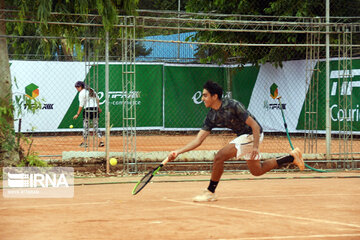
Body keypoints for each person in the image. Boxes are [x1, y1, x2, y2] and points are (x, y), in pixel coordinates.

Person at [167, 80, 304, 202]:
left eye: (205, 95)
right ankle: (291, 157)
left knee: (220, 156)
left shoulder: (233, 105)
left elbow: (255, 126)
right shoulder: (211, 116)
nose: (202, 98)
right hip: (244, 137)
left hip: (252, 134)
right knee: (257, 170)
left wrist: (255, 147)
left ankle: (210, 192)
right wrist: (178, 152)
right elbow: (198, 140)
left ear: (215, 96)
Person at [73, 81, 104, 147]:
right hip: (95, 109)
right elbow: (97, 99)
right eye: (76, 87)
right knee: (96, 126)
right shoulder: (91, 90)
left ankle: (84, 143)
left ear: (81, 87)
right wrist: (98, 108)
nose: (77, 89)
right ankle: (101, 141)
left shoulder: (82, 93)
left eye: (78, 87)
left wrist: (77, 114)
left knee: (86, 127)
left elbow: (81, 105)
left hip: (87, 110)